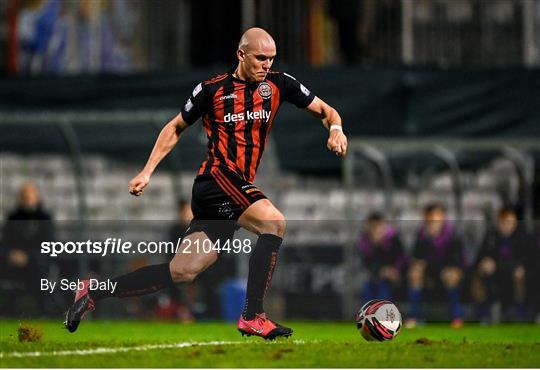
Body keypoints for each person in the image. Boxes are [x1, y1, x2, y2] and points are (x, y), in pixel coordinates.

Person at [64, 27, 348, 340]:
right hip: (215, 180)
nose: (266, 64)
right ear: (241, 55)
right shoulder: (211, 90)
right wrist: (147, 171)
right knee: (274, 223)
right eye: (260, 58)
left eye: (271, 59)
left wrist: (336, 129)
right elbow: (174, 128)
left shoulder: (280, 84)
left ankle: (93, 292)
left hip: (233, 189)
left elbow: (327, 111)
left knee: (183, 270)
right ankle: (253, 315)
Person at [406, 204, 465, 328]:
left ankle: (457, 317)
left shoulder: (453, 234)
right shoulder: (422, 235)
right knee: (414, 274)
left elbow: (457, 260)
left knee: (451, 275)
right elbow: (416, 257)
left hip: (448, 271)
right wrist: (419, 264)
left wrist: (449, 267)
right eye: (430, 217)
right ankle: (415, 317)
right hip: (429, 273)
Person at [0, 182, 55, 315]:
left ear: (37, 197)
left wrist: (28, 257)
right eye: (25, 197)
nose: (27, 200)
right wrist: (11, 254)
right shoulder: (13, 218)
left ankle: (43, 310)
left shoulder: (45, 218)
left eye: (30, 196)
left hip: (37, 264)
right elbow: (4, 243)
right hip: (13, 263)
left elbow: (48, 245)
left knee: (39, 265)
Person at [471, 207, 533, 322]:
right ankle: (483, 314)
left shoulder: (523, 237)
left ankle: (520, 313)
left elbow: (529, 260)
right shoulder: (490, 236)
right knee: (478, 273)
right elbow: (479, 258)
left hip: (514, 275)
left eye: (509, 222)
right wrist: (484, 262)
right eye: (502, 222)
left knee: (519, 274)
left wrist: (506, 266)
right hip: (494, 275)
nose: (505, 225)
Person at [357, 212, 407, 302]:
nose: (376, 231)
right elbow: (366, 262)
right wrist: (381, 271)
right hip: (375, 277)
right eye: (373, 227)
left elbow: (401, 257)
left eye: (378, 227)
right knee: (368, 291)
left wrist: (394, 270)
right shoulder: (365, 242)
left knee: (384, 292)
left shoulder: (393, 239)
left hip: (394, 277)